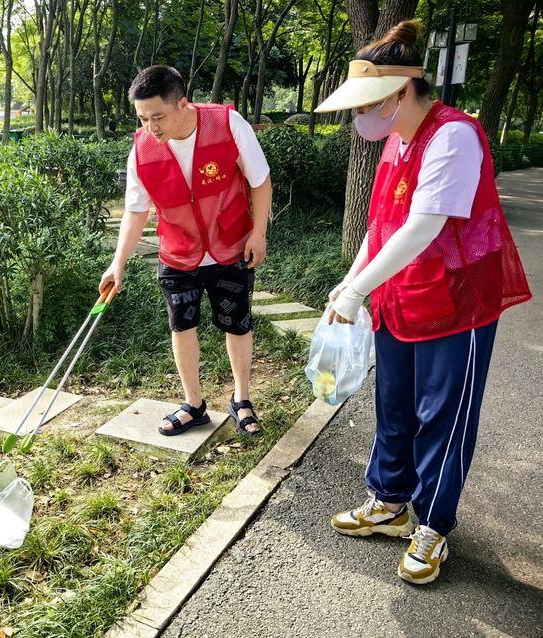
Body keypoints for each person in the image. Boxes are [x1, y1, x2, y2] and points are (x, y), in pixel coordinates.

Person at [315, 21, 532, 585]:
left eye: (367, 106)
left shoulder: (454, 136)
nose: (358, 119)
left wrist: (361, 287)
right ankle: (389, 501)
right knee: (394, 406)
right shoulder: (397, 138)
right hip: (403, 297)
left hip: (455, 305)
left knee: (443, 418)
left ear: (400, 93)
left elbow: (423, 226)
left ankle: (433, 524)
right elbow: (382, 223)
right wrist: (352, 280)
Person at [99, 65, 273, 437]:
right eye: (143, 119)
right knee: (182, 325)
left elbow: (260, 181)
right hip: (178, 252)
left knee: (237, 323)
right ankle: (193, 404)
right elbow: (135, 210)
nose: (151, 127)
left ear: (183, 103)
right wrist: (118, 263)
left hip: (230, 246)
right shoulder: (142, 149)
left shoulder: (227, 124)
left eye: (158, 116)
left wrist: (258, 234)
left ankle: (242, 399)